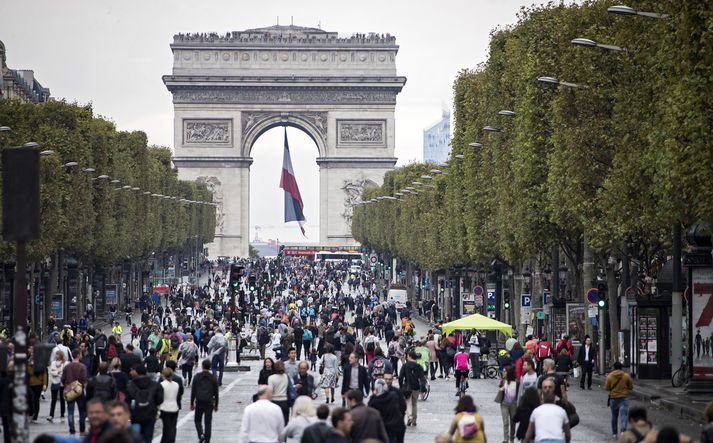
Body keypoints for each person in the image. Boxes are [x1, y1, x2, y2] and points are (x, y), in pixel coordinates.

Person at [126, 364, 164, 443]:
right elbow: (160, 399)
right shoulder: (155, 385)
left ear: (136, 372)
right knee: (148, 436)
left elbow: (127, 401)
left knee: (135, 436)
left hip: (135, 414)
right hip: (150, 413)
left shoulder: (130, 385)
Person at [368, 379, 406, 443]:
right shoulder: (393, 396)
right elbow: (403, 407)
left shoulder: (374, 402)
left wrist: (373, 396)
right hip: (398, 426)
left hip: (384, 429)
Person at [191, 359, 220, 443]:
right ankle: (207, 440)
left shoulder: (197, 377)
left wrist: (192, 403)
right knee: (208, 422)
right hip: (209, 402)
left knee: (197, 420)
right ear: (210, 367)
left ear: (202, 366)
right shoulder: (213, 378)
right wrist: (216, 404)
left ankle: (201, 434)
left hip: (199, 401)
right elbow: (216, 392)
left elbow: (193, 391)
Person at [62, 349, 88, 436]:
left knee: (70, 411)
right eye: (80, 354)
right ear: (78, 355)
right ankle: (82, 429)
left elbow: (63, 379)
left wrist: (67, 385)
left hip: (69, 391)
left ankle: (72, 430)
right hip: (79, 390)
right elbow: (84, 379)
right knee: (81, 411)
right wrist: (83, 387)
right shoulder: (82, 366)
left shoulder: (67, 366)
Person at [604, 361, 633, 438]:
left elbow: (607, 388)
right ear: (621, 367)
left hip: (613, 399)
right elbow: (631, 387)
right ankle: (623, 431)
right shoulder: (626, 376)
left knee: (614, 416)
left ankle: (614, 433)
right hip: (623, 398)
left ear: (614, 368)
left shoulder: (610, 376)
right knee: (624, 416)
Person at [398, 350, 425, 427]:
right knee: (414, 404)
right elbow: (422, 378)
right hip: (416, 386)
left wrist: (401, 385)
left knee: (408, 403)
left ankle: (409, 416)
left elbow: (400, 377)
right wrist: (422, 387)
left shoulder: (405, 366)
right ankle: (414, 420)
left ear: (409, 356)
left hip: (407, 386)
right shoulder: (419, 366)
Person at [158, 367, 180, 443]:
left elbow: (159, 397)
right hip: (175, 407)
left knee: (166, 427)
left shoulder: (162, 384)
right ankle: (171, 440)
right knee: (173, 427)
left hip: (165, 408)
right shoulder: (176, 384)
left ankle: (166, 440)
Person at [27, 347, 48, 423]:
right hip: (30, 383)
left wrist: (45, 384)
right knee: (30, 398)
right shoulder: (28, 359)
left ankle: (35, 416)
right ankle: (31, 413)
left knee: (36, 399)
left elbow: (44, 373)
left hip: (38, 383)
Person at [498, 365, 518, 443]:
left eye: (504, 371)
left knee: (513, 422)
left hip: (513, 404)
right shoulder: (503, 381)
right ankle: (505, 439)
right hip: (504, 404)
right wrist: (501, 388)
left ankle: (512, 438)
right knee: (505, 422)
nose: (503, 372)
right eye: (503, 371)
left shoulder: (516, 382)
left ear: (509, 372)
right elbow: (500, 389)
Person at [47, 351, 67, 423]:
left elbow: (64, 373)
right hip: (54, 382)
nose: (56, 356)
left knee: (62, 399)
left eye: (58, 354)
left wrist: (56, 372)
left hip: (62, 383)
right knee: (53, 399)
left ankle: (62, 414)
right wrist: (58, 372)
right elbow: (52, 372)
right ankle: (51, 414)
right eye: (56, 354)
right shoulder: (53, 363)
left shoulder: (65, 363)